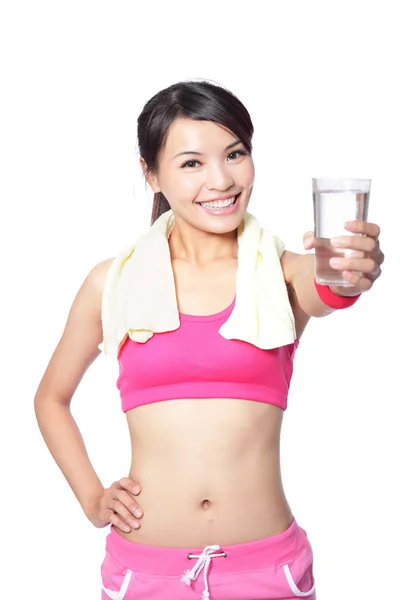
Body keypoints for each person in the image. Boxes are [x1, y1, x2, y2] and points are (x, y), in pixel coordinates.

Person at [34, 80, 384, 600]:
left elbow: (330, 283)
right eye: (191, 163)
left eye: (235, 154)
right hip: (144, 573)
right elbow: (50, 399)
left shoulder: (280, 272)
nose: (221, 179)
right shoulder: (112, 283)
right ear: (151, 173)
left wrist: (352, 269)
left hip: (267, 572)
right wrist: (91, 497)